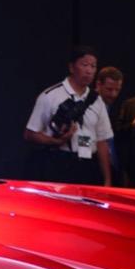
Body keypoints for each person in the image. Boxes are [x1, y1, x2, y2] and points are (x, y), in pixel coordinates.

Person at [23, 45, 113, 185]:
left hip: (88, 164)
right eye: (84, 65)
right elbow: (30, 134)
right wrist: (55, 141)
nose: (89, 70)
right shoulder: (50, 96)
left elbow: (102, 141)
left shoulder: (97, 100)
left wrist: (107, 179)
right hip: (58, 163)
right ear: (71, 67)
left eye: (93, 66)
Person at [94, 66, 124, 183]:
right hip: (92, 167)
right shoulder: (86, 106)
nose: (113, 94)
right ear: (98, 84)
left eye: (117, 90)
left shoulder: (118, 107)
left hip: (114, 169)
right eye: (109, 89)